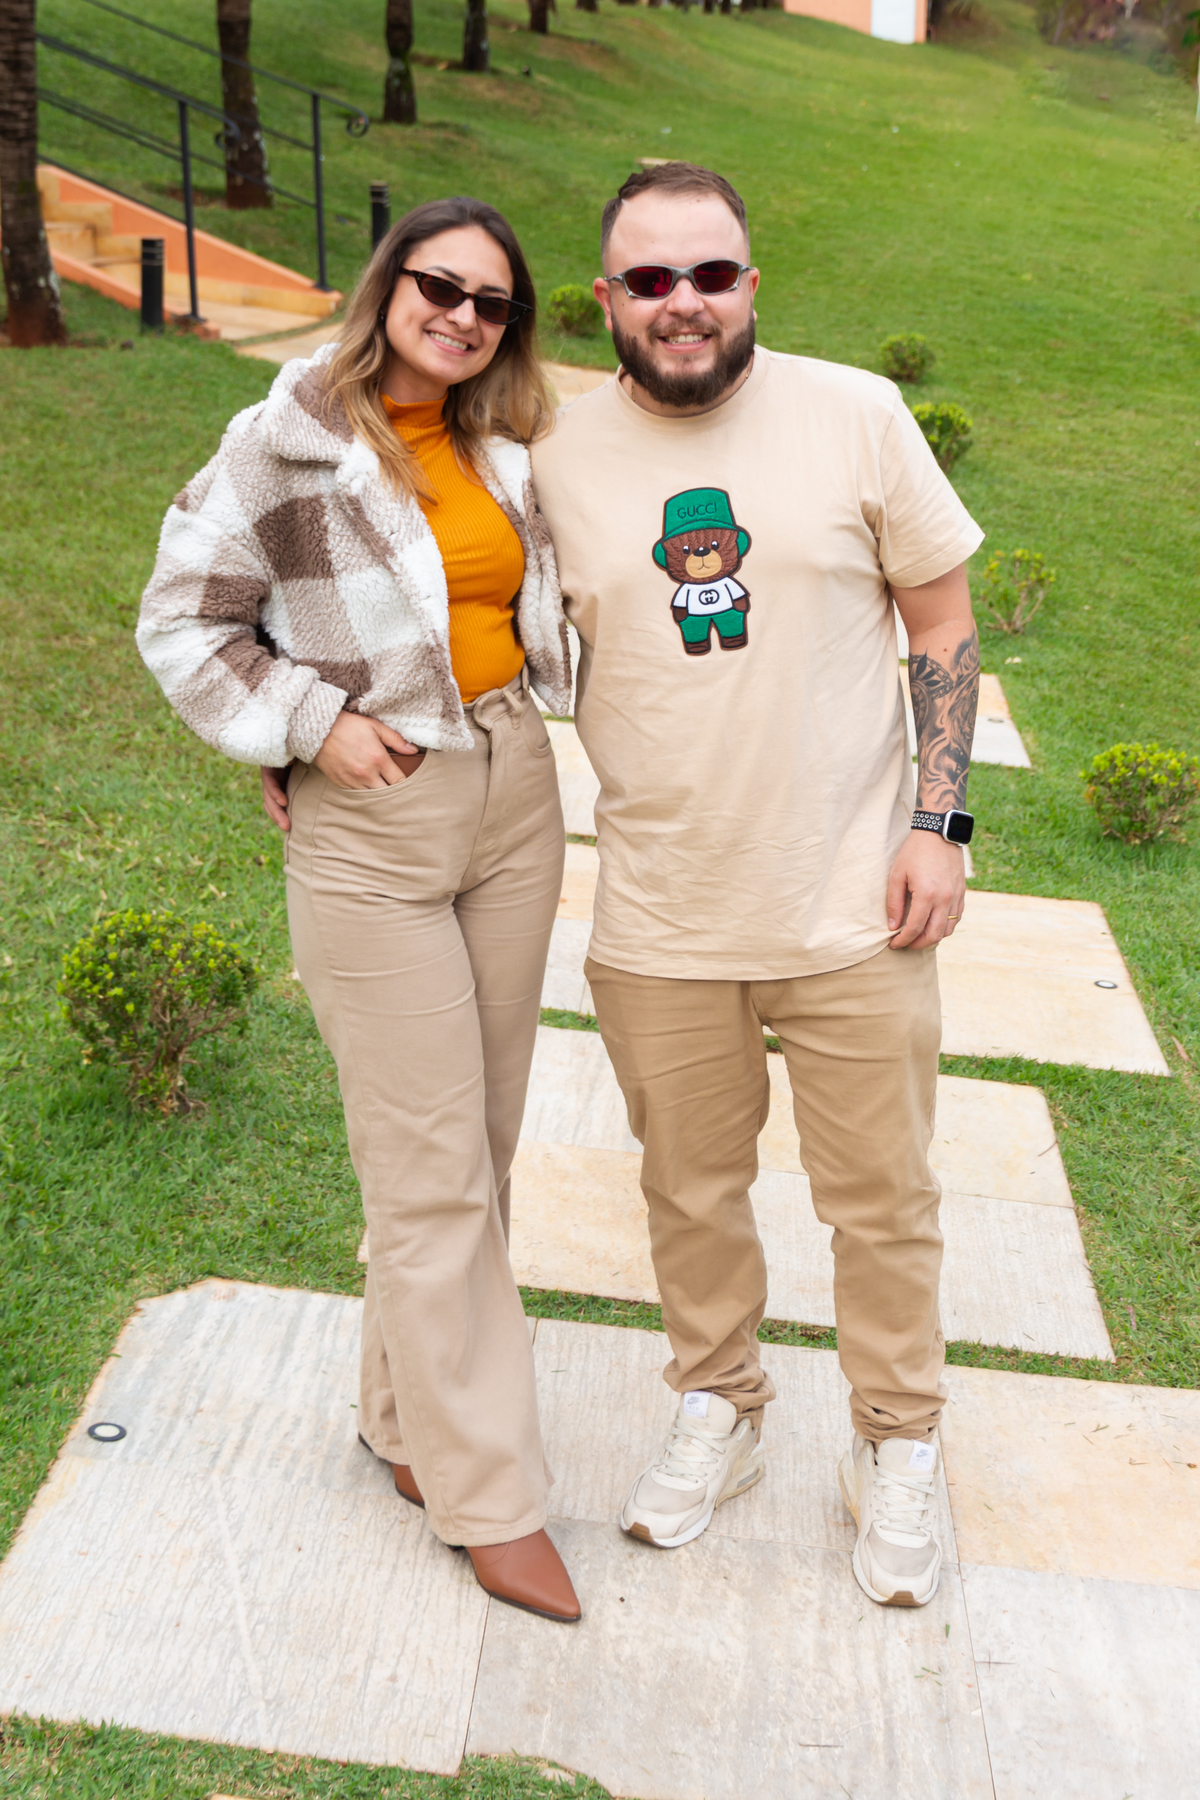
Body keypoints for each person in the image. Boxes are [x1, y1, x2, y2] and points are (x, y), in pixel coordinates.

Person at [530, 162, 983, 1609]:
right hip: (661, 913)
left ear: (751, 284)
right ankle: (719, 1407)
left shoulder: (857, 414)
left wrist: (940, 821)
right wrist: (297, 730)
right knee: (688, 1192)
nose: (684, 302)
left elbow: (941, 619)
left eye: (711, 274)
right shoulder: (547, 452)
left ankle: (896, 1439)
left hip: (853, 904)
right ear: (606, 297)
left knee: (884, 1201)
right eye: (650, 279)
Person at [137, 197, 581, 1624]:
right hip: (378, 820)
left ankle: (401, 1417)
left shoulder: (505, 447)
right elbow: (181, 620)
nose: (462, 317)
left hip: (516, 795)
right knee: (429, 1164)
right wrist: (309, 728)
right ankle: (491, 1498)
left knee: (476, 1147)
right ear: (388, 286)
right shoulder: (283, 443)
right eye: (439, 286)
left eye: (492, 303)